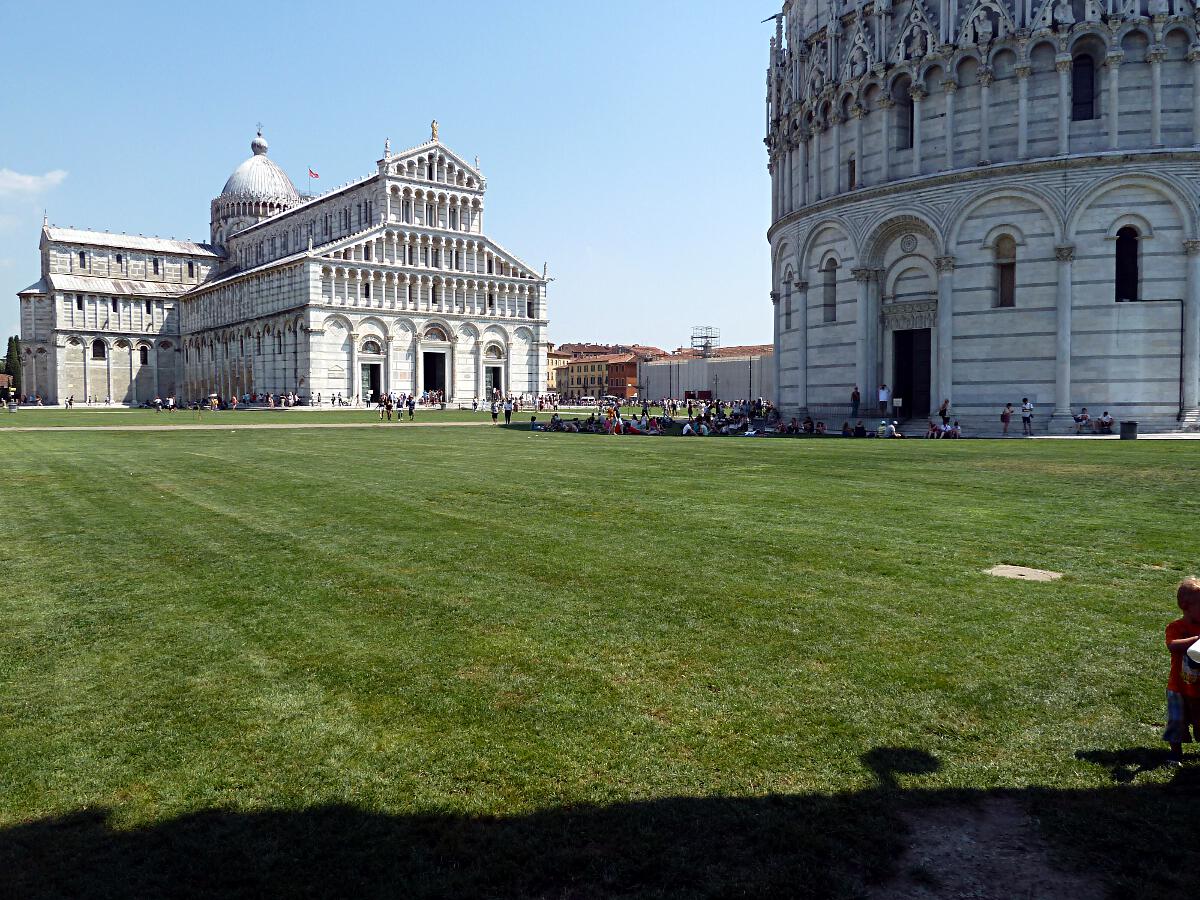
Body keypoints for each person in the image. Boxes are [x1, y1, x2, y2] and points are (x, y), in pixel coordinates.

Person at [1164, 577, 1200, 765]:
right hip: (1178, 687)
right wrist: (1196, 639)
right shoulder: (1176, 627)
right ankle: (1176, 754)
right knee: (1177, 722)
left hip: (1198, 688)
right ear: (1186, 606)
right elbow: (1173, 646)